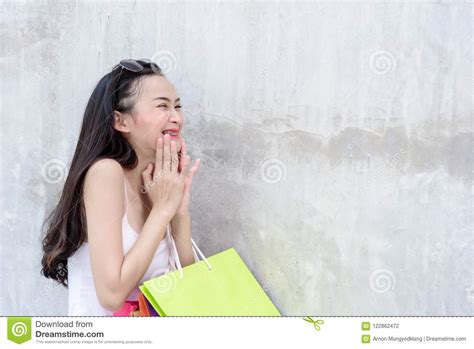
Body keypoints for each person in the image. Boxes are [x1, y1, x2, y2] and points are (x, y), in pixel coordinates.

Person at [40, 59, 201, 315]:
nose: (177, 118)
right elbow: (111, 295)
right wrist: (161, 212)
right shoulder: (106, 173)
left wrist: (178, 213)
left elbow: (193, 290)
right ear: (120, 121)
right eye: (163, 106)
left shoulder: (160, 184)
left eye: (178, 106)